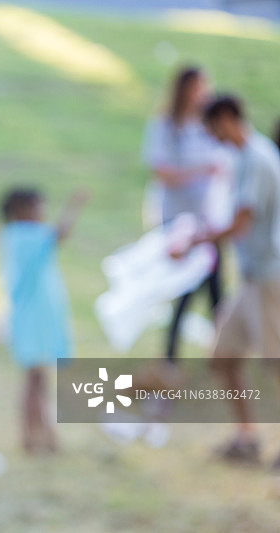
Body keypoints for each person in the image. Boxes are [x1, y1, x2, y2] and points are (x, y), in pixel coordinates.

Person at [191, 94, 280, 466]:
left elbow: (241, 223)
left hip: (268, 276)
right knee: (223, 355)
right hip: (250, 277)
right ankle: (247, 437)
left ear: (227, 118)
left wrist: (198, 240)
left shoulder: (258, 158)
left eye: (212, 128)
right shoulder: (245, 158)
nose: (213, 137)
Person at [141, 65, 233, 362]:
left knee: (216, 290)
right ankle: (172, 358)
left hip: (209, 221)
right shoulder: (166, 125)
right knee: (185, 291)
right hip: (179, 222)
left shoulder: (210, 125)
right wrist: (200, 171)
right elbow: (162, 172)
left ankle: (221, 356)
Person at [0, 187, 88, 453]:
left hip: (35, 318)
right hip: (32, 320)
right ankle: (34, 435)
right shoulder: (22, 236)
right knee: (34, 379)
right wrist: (74, 206)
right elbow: (60, 234)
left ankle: (42, 434)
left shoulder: (18, 236)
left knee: (38, 379)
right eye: (37, 207)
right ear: (19, 211)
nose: (42, 213)